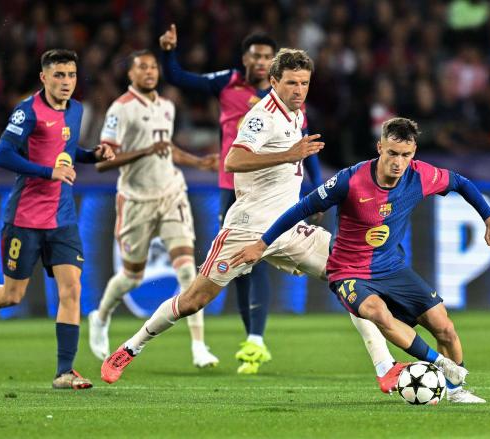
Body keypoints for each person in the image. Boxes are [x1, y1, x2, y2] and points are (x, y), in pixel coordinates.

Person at [101, 49, 408, 391]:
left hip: (290, 229)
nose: (298, 90)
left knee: (350, 282)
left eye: (304, 83)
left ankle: (385, 367)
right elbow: (233, 159)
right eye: (291, 83)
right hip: (248, 229)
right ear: (274, 82)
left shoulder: (297, 113)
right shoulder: (262, 116)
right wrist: (289, 154)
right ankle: (130, 347)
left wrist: (310, 190)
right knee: (193, 301)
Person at [231, 117, 490, 403]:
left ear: (414, 152)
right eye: (392, 153)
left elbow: (461, 183)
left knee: (445, 327)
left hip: (391, 268)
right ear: (380, 147)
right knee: (376, 312)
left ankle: (455, 391)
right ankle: (439, 363)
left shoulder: (421, 176)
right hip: (347, 271)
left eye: (405, 155)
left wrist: (489, 218)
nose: (398, 162)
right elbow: (301, 209)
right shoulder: (350, 179)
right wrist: (262, 243)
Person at [158, 25, 324, 373]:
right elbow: (178, 77)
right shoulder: (227, 83)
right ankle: (250, 336)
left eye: (267, 56)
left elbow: (303, 145)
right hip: (231, 183)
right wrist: (169, 53)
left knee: (258, 256)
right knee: (240, 265)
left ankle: (256, 338)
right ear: (245, 58)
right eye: (256, 55)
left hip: (276, 186)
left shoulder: (289, 101)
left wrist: (317, 184)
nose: (261, 61)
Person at [0, 49, 115, 389]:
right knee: (12, 295)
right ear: (44, 77)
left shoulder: (77, 109)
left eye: (70, 75)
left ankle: (64, 372)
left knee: (72, 290)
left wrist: (91, 154)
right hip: (25, 218)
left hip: (63, 219)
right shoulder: (28, 112)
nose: (66, 82)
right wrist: (47, 172)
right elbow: (2, 154)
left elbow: (66, 153)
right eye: (58, 75)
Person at [88, 49, 220, 368]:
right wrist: (145, 150)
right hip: (136, 199)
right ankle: (101, 315)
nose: (149, 72)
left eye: (153, 67)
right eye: (142, 67)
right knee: (132, 276)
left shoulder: (166, 106)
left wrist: (197, 161)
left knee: (188, 270)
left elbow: (166, 149)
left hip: (172, 192)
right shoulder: (121, 110)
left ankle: (199, 347)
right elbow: (104, 163)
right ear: (130, 74)